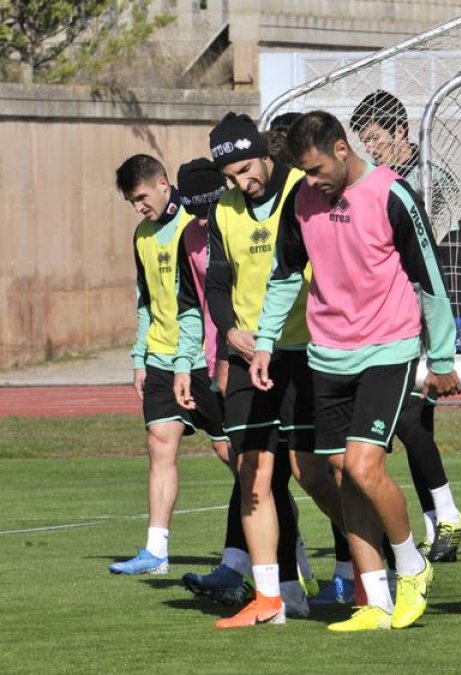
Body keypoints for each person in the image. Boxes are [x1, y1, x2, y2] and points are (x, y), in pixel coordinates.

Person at [250, 110, 461, 632]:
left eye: (316, 168)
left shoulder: (393, 194)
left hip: (387, 349)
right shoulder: (301, 200)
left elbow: (430, 277)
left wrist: (442, 358)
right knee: (342, 472)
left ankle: (412, 565)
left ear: (341, 150)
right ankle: (375, 601)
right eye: (303, 171)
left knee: (365, 467)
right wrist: (264, 342)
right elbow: (284, 276)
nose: (311, 180)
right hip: (328, 354)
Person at [187, 112, 339, 627]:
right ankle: (273, 597)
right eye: (230, 175)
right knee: (254, 471)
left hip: (303, 350)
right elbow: (217, 283)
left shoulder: (304, 190)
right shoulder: (225, 210)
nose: (241, 182)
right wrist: (229, 330)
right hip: (246, 357)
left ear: (264, 155)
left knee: (313, 474)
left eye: (246, 169)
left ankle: (369, 559)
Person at [349, 91, 461, 564]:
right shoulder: (377, 182)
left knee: (410, 421)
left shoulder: (429, 181)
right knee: (416, 426)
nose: (370, 147)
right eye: (364, 140)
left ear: (400, 130)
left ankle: (446, 515)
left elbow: (447, 254)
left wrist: (454, 322)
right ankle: (437, 526)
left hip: (425, 323)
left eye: (375, 137)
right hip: (394, 319)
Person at [109, 154, 229, 576]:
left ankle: (284, 545)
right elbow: (145, 299)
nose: (139, 207)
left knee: (231, 451)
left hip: (201, 358)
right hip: (161, 357)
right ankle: (156, 551)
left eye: (142, 197)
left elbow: (199, 301)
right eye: (132, 202)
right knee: (159, 442)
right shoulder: (142, 235)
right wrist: (139, 357)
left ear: (163, 183)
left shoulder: (198, 223)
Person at [169, 157, 253, 605]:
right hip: (217, 363)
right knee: (245, 465)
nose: (202, 219)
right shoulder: (190, 236)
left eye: (207, 208)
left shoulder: (241, 218)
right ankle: (251, 570)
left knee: (309, 469)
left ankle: (355, 565)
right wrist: (185, 366)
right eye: (194, 211)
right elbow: (190, 306)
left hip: (263, 354)